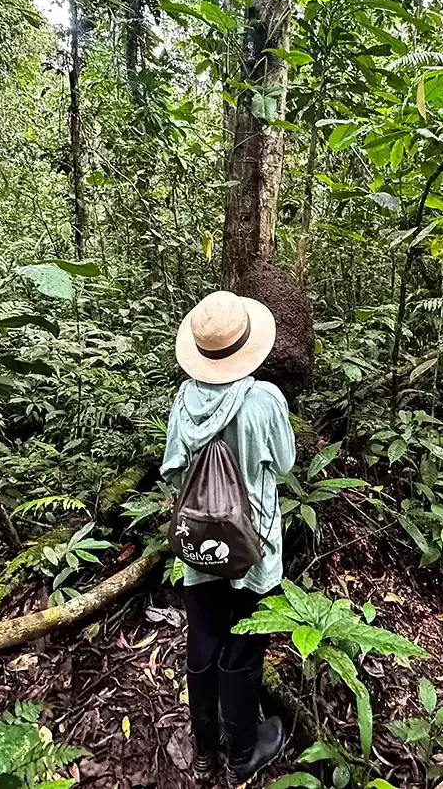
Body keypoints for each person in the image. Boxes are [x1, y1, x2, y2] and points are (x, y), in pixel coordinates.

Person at [161, 290, 296, 786]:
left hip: (200, 543)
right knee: (243, 647)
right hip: (251, 548)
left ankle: (203, 749)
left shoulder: (184, 399)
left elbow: (173, 470)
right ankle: (242, 752)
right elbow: (284, 464)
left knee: (204, 637)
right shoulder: (263, 400)